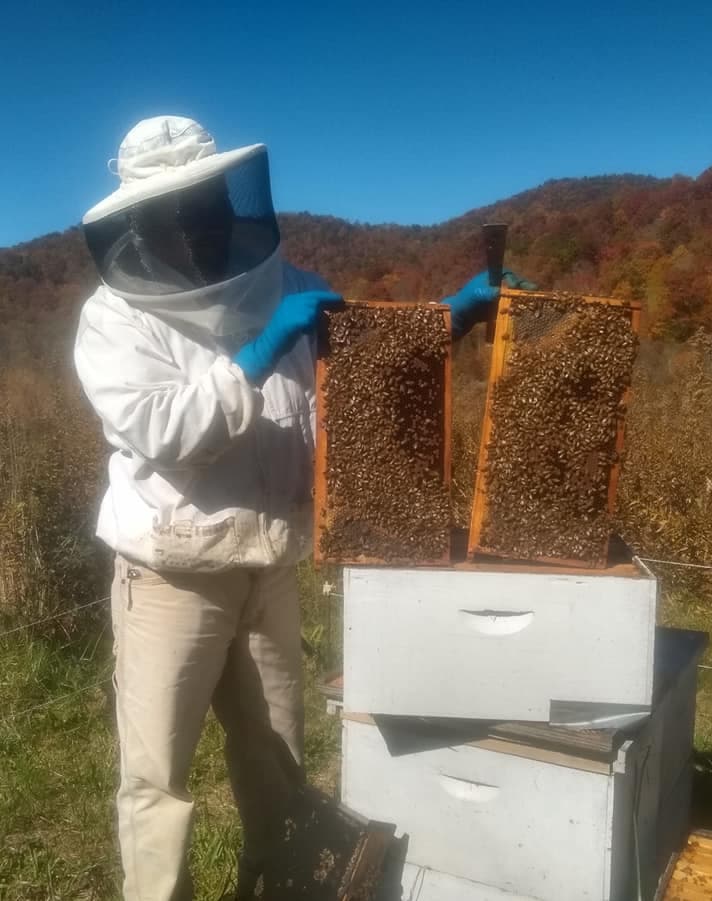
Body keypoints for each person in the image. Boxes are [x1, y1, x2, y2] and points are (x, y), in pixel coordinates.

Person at [74, 115, 533, 901]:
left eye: (209, 203)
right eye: (177, 213)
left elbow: (361, 385)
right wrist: (255, 359)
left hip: (271, 563)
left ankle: (276, 884)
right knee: (157, 777)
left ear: (231, 201)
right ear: (142, 226)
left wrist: (450, 318)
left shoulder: (288, 286)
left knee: (278, 754)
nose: (199, 224)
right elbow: (160, 430)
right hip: (171, 571)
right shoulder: (116, 319)